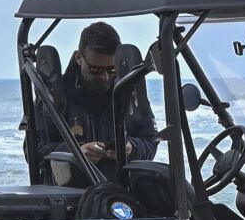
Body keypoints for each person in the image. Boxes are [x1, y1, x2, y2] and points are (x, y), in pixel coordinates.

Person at [38, 22, 159, 176]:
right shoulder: (53, 97)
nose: (105, 77)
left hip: (119, 192)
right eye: (95, 69)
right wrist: (74, 154)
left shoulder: (129, 95)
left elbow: (150, 141)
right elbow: (34, 151)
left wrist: (131, 148)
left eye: (112, 69)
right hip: (70, 193)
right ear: (79, 58)